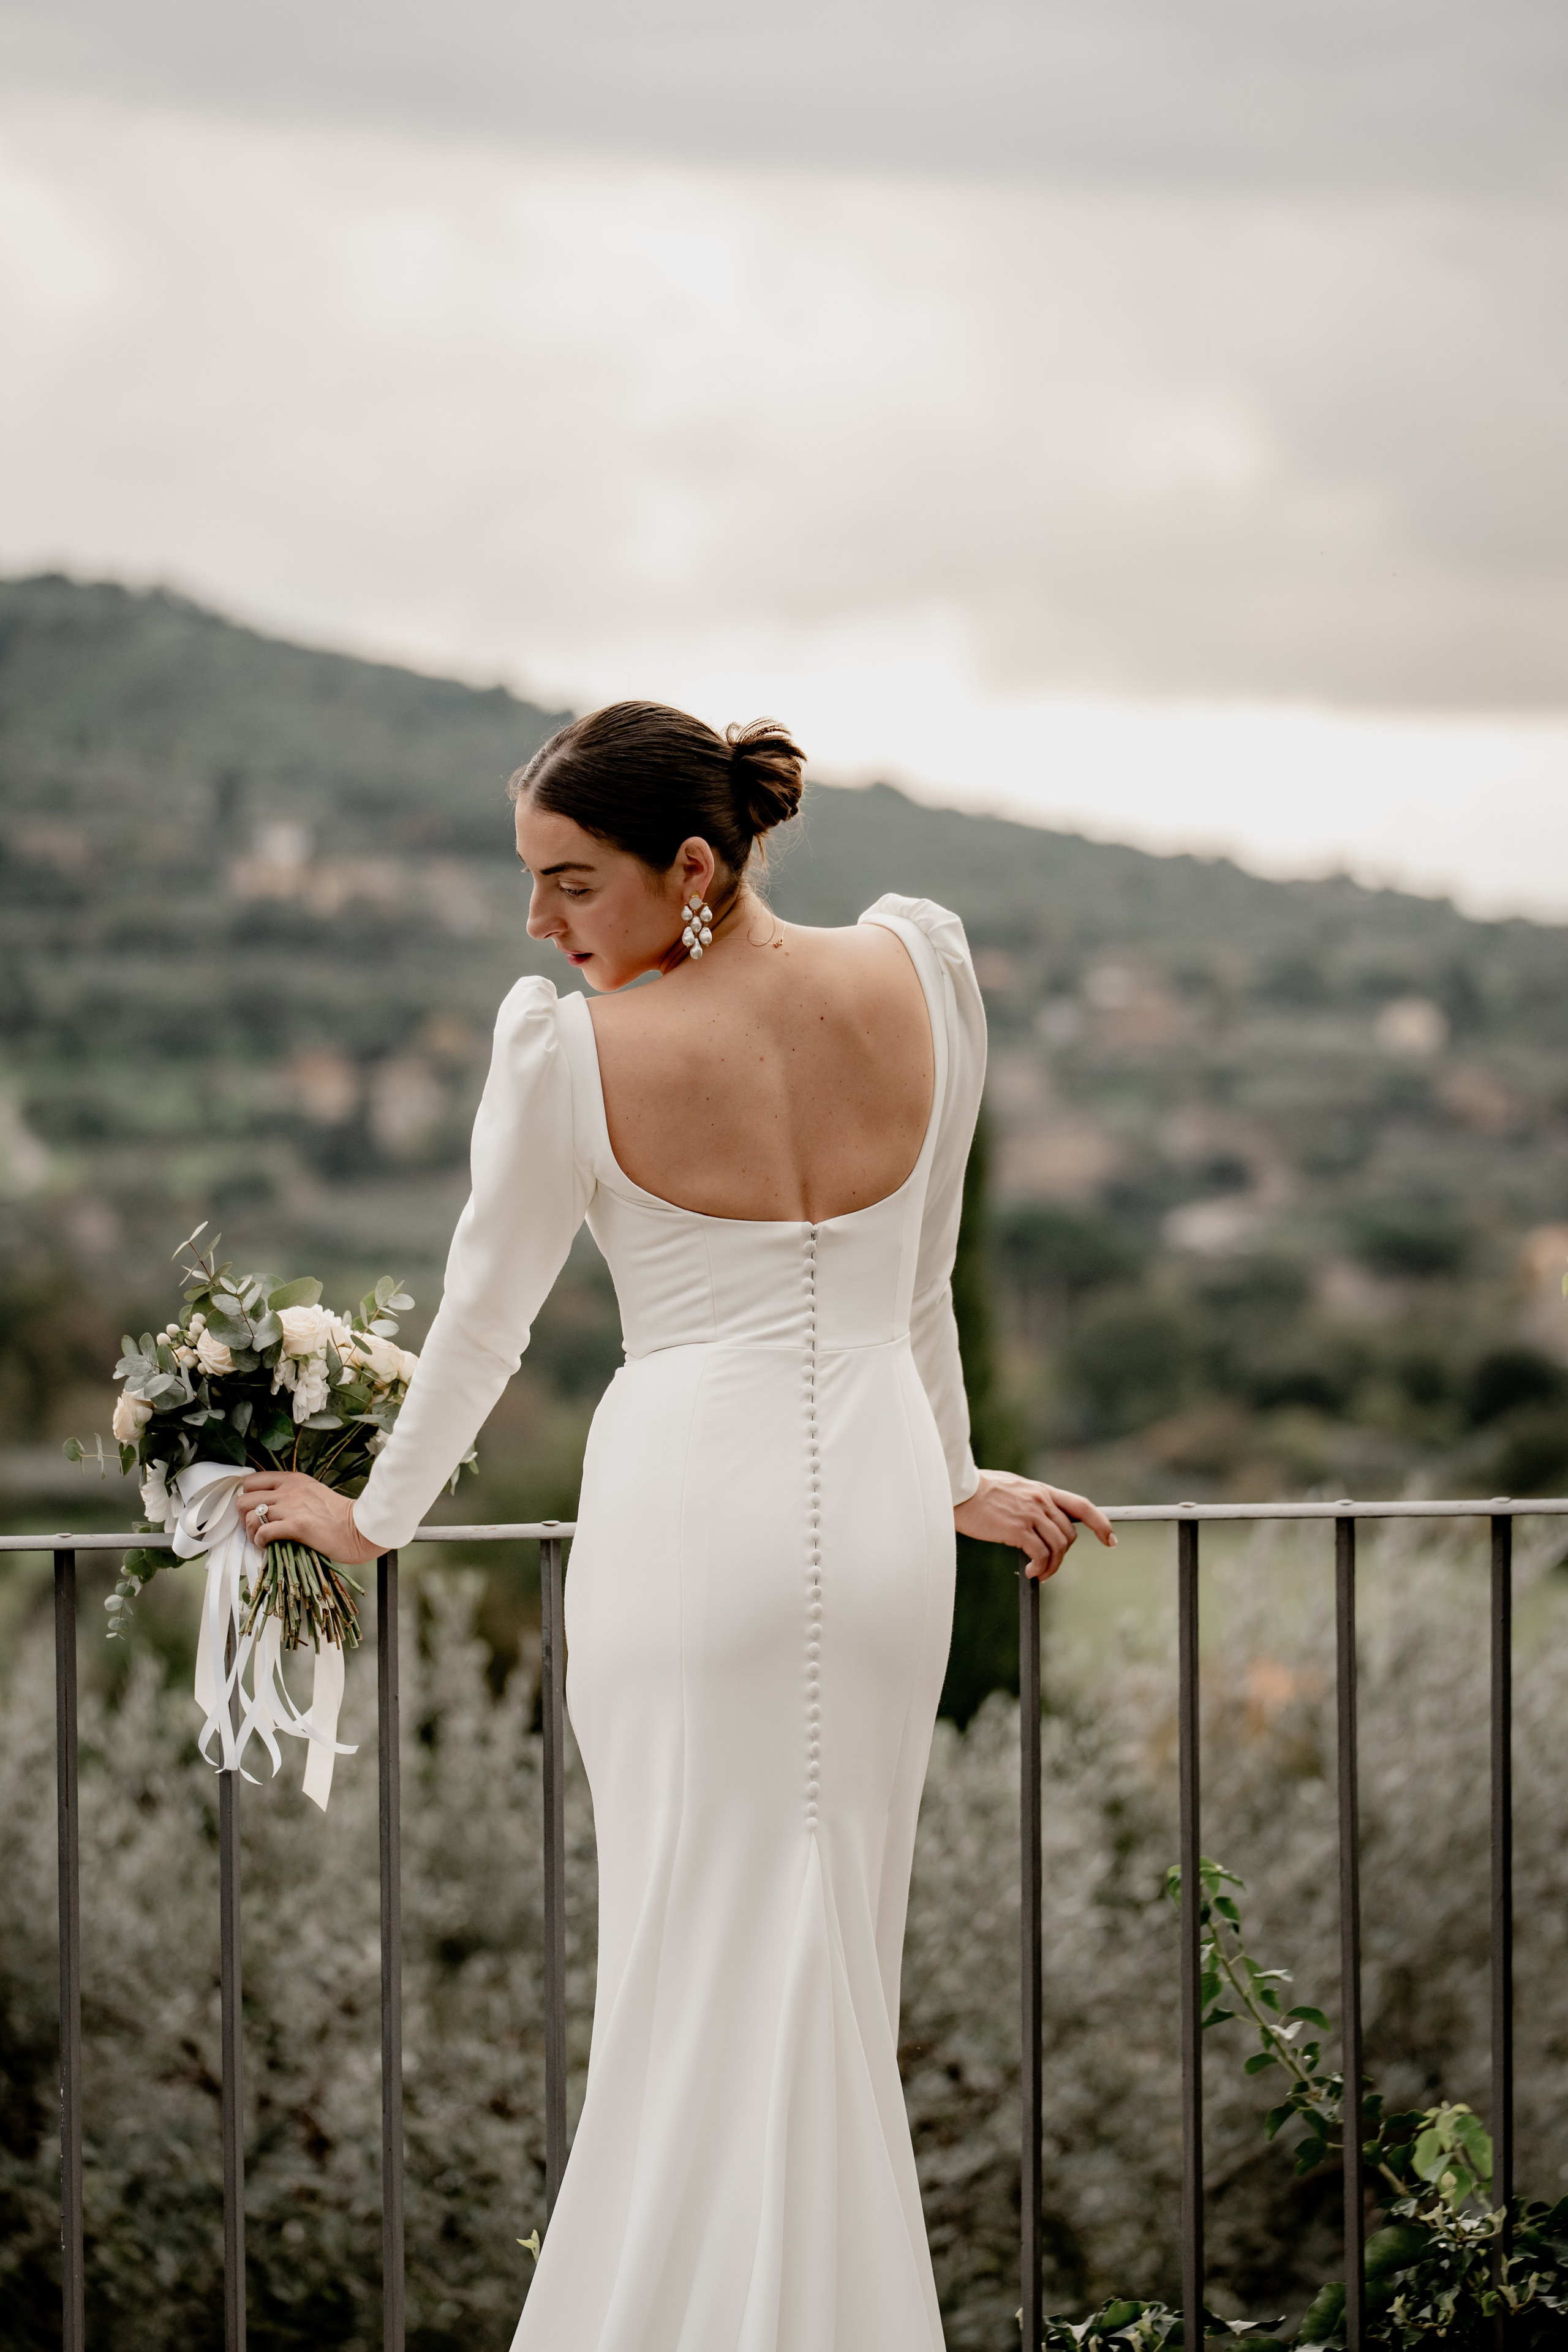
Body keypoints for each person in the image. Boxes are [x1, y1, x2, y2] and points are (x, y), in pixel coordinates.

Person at [237, 701, 1114, 2350]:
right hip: (876, 1532)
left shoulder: (570, 1056)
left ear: (692, 868)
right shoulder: (923, 972)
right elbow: (914, 1295)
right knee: (829, 1952)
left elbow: (482, 1327)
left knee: (686, 1958)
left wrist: (375, 1520)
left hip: (684, 1526)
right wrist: (949, 1475)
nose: (543, 927)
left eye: (572, 885)